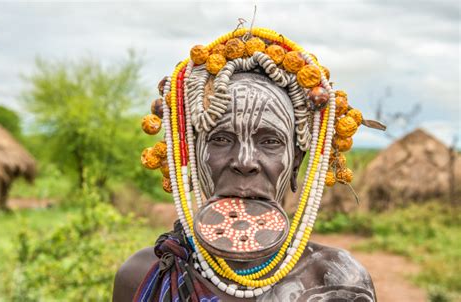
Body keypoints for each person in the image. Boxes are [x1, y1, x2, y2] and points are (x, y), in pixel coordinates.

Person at [113, 27, 382, 301]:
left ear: (295, 163)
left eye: (270, 142)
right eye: (220, 138)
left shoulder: (340, 283)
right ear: (192, 156)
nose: (244, 161)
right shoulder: (145, 275)